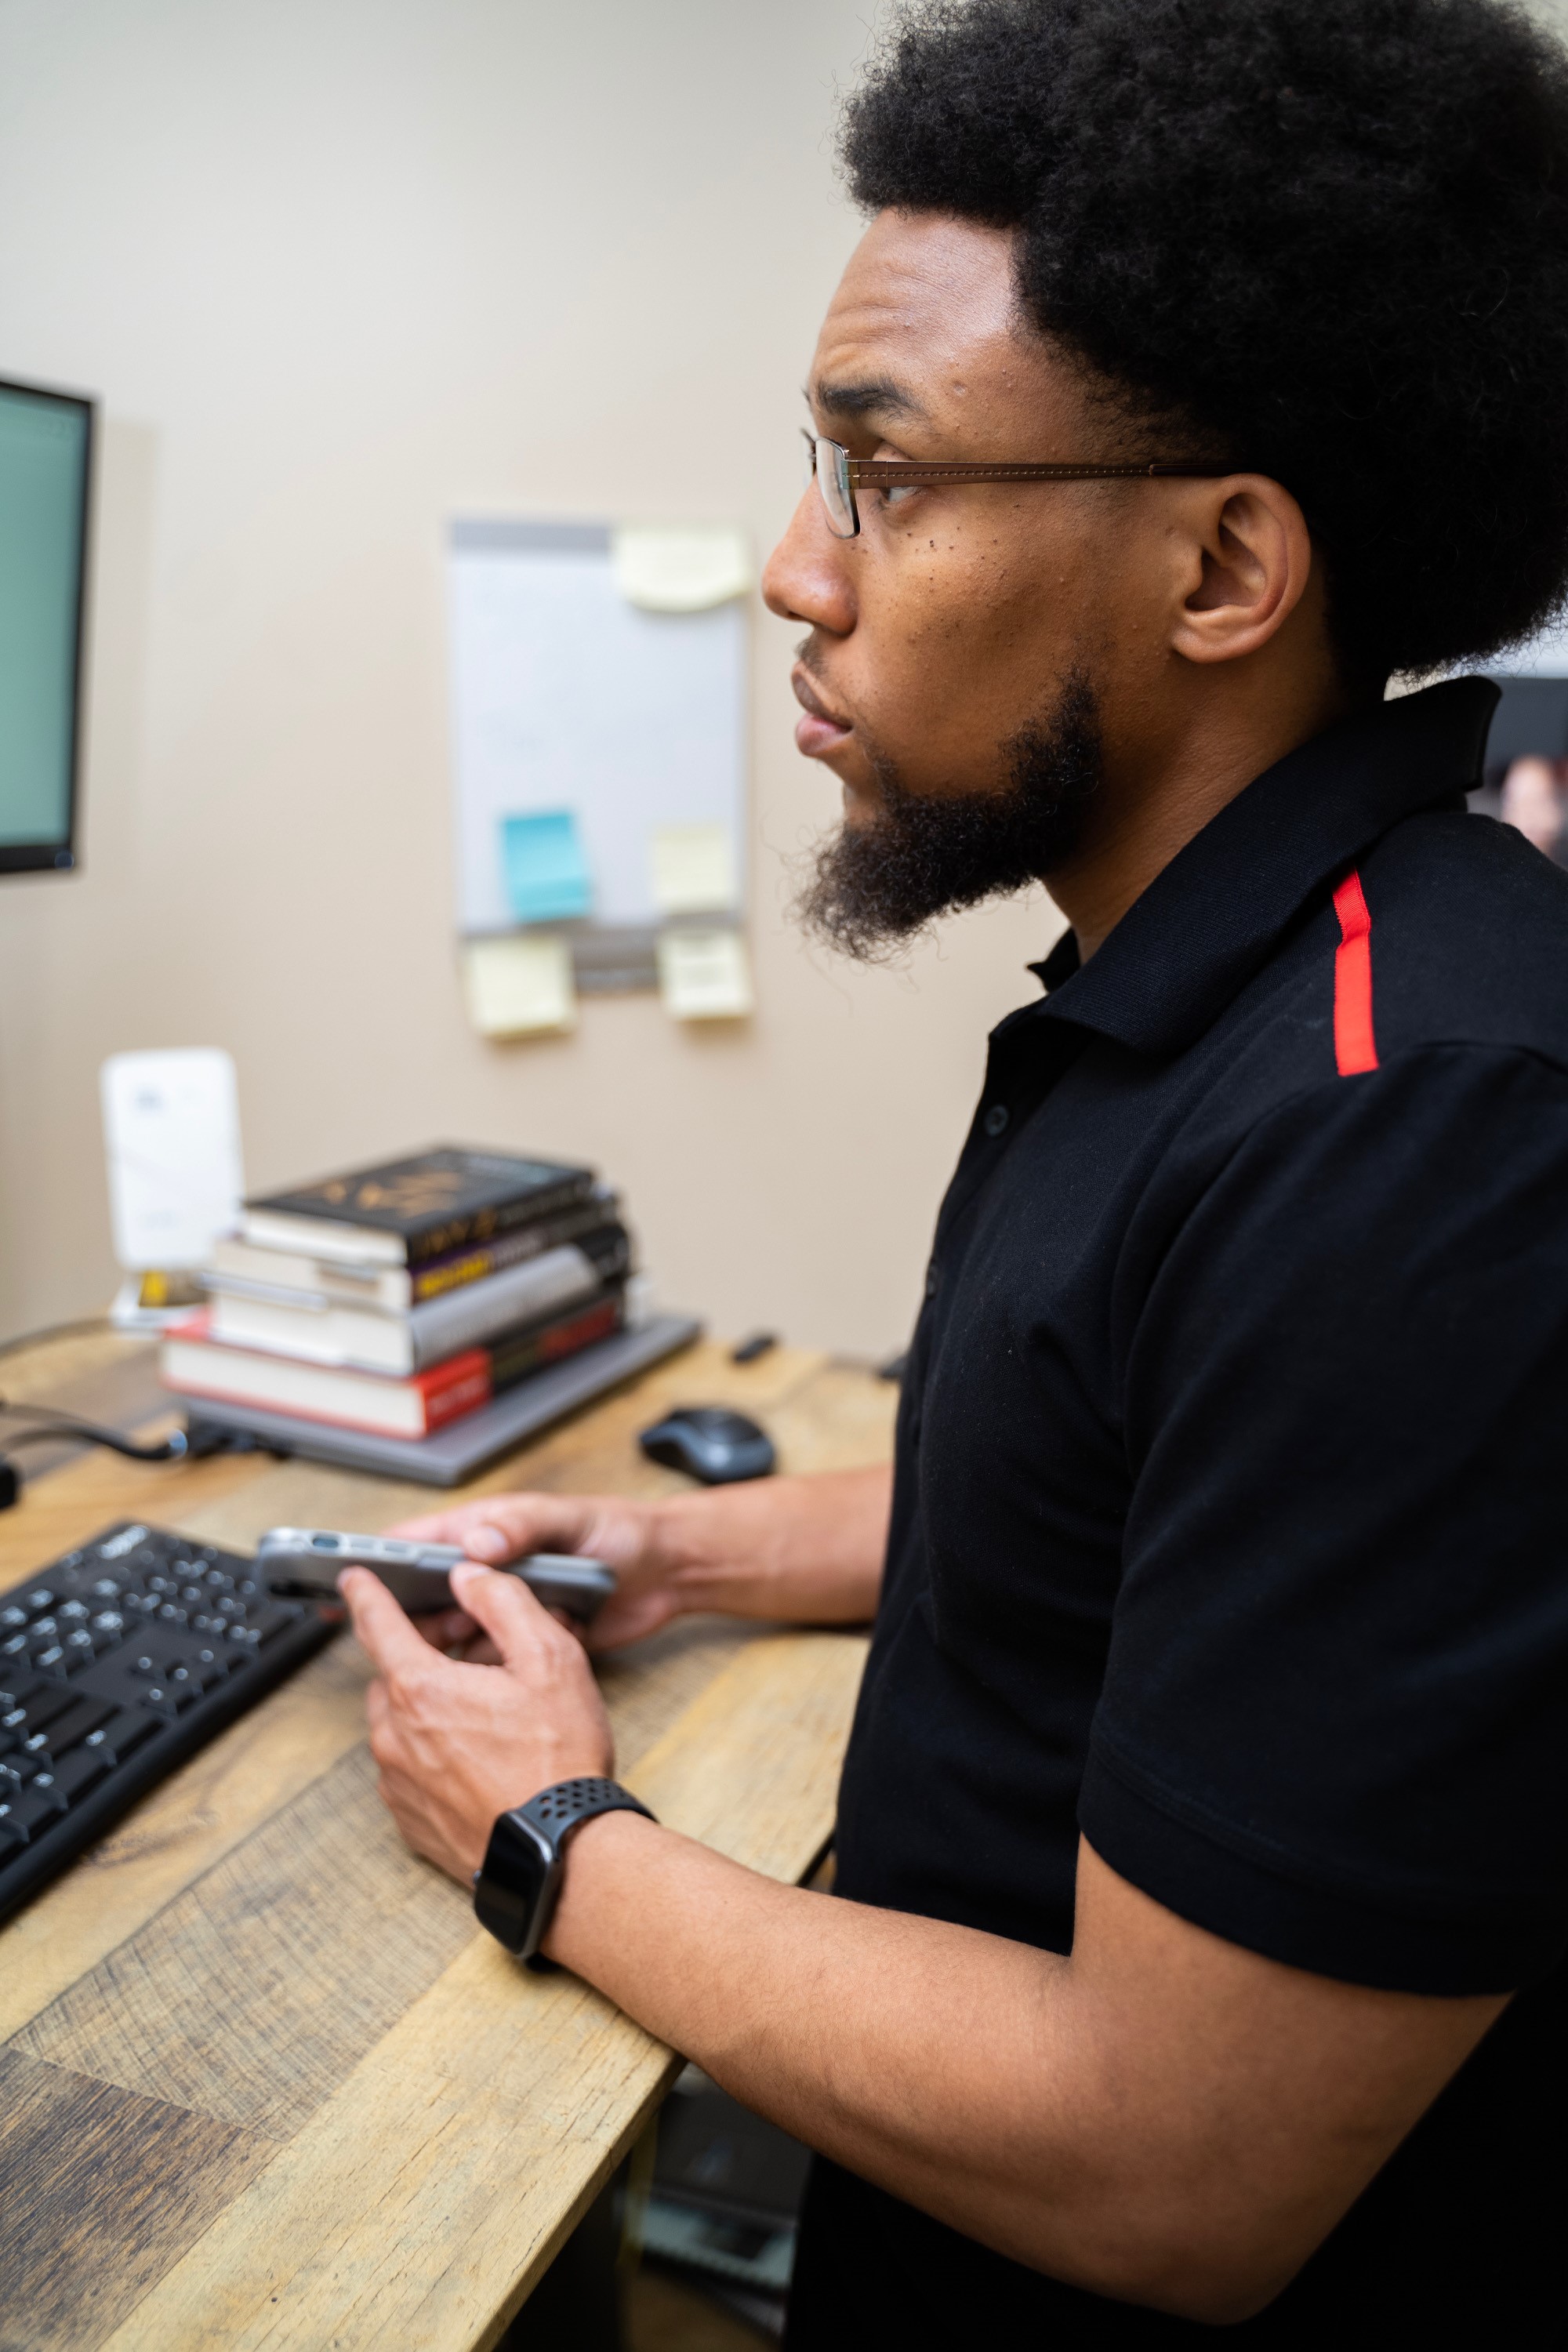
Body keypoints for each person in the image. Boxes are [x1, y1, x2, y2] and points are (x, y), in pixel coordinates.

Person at [340, 0, 1568, 2336]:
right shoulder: (1203, 996)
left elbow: (1170, 2163)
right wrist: (678, 1551)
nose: (800, 575)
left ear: (1223, 569)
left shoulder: (1420, 1131)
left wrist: (549, 1833)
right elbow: (1144, 1510)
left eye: (884, 480)